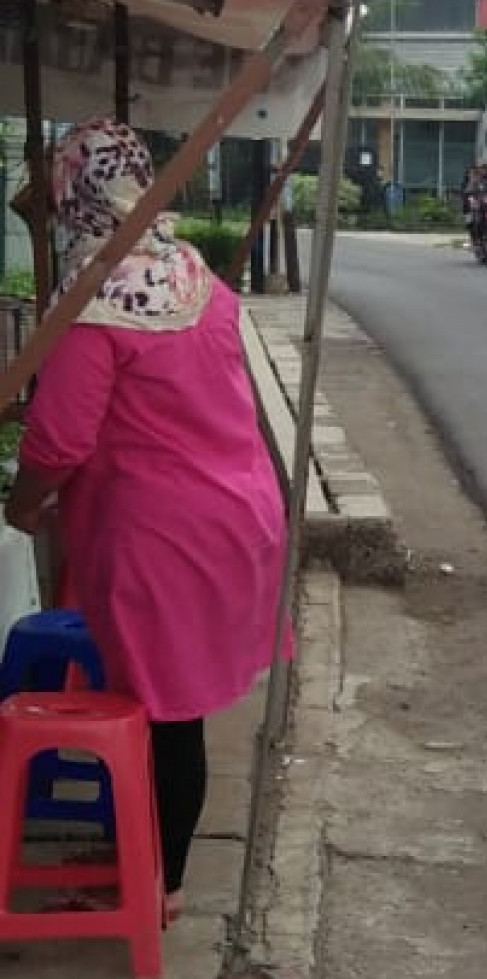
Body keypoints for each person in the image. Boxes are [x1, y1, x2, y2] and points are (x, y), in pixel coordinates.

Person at [4, 117, 290, 923]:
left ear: (74, 194)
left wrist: (21, 504)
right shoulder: (193, 274)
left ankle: (154, 885)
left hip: (163, 540)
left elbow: (59, 438)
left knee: (163, 716)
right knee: (172, 711)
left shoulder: (96, 302)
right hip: (239, 517)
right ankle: (152, 868)